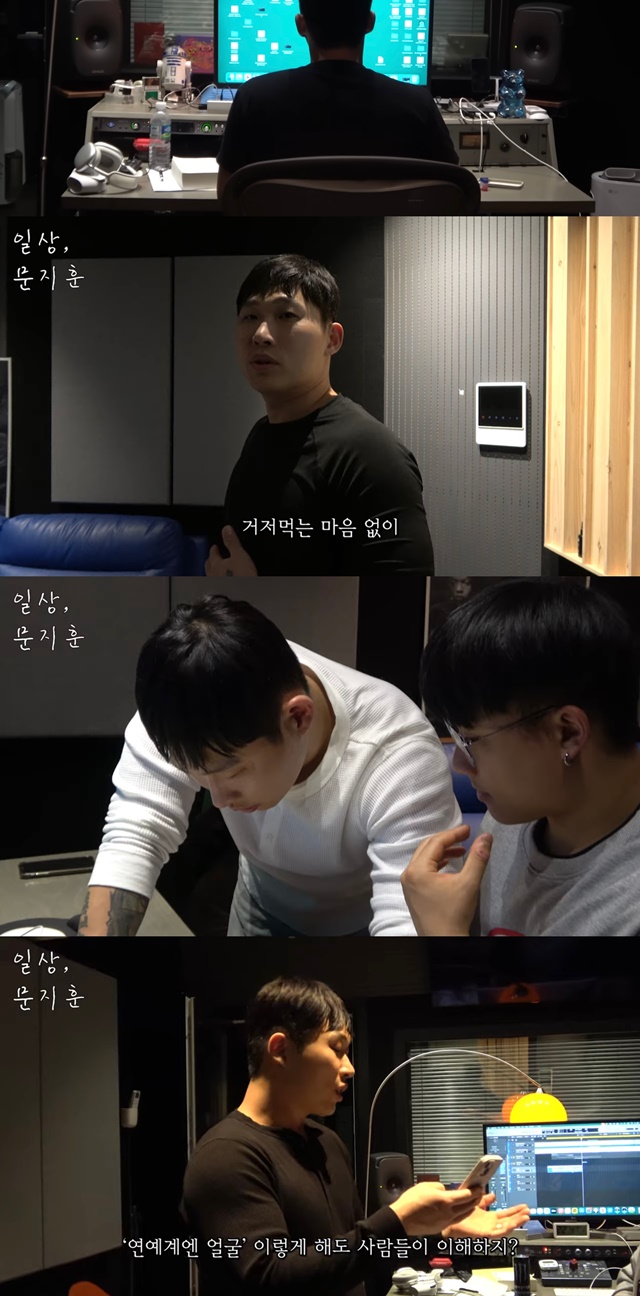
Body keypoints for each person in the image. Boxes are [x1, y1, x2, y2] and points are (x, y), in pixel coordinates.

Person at [77, 594, 461, 937]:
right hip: (259, 904)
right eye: (199, 774)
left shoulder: (398, 757)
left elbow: (408, 915)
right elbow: (136, 833)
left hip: (364, 921)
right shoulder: (181, 704)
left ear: (297, 717)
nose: (219, 800)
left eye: (233, 771)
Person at [180, 975, 530, 1296]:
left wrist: (438, 1228)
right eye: (336, 1048)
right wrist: (397, 1220)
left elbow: (353, 1257)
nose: (349, 1067)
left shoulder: (326, 1142)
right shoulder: (226, 1155)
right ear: (280, 1049)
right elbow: (271, 1277)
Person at [399, 580, 640, 937]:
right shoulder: (514, 818)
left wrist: (442, 934)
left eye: (470, 740)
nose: (460, 765)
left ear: (568, 733)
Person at [204, 253, 435, 575]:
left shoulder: (370, 453)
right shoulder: (261, 433)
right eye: (250, 316)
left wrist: (253, 587)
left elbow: (402, 588)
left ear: (332, 339)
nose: (261, 334)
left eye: (286, 315)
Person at [216, 0, 458, 199]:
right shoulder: (418, 105)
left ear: (300, 25)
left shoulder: (253, 99)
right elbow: (453, 192)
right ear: (370, 22)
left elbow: (227, 196)